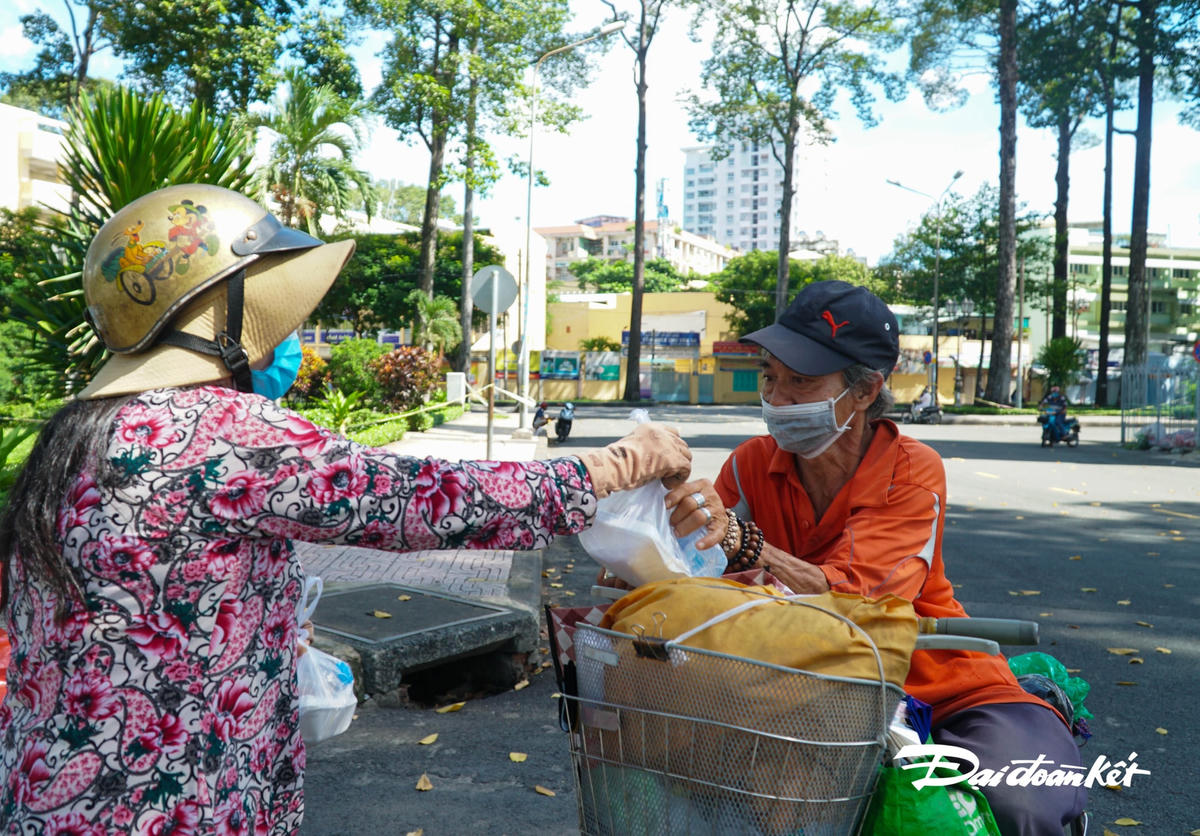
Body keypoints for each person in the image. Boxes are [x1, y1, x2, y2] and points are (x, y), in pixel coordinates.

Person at [0, 184, 692, 833]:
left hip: (51, 791)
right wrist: (611, 466)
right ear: (221, 311)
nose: (279, 339)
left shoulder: (72, 436)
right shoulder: (223, 430)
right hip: (174, 799)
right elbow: (419, 501)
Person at [665, 281, 1085, 835]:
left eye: (802, 381)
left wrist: (751, 546)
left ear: (864, 392)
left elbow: (860, 599)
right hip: (793, 686)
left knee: (1022, 805)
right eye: (770, 377)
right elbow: (704, 563)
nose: (777, 397)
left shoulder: (913, 469)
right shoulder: (750, 464)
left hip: (932, 677)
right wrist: (657, 528)